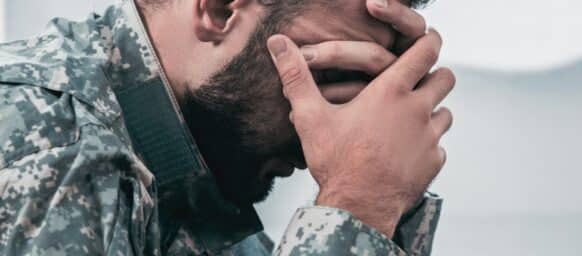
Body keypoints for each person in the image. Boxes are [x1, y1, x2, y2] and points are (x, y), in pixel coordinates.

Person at [0, 0, 455, 255]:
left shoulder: (197, 195)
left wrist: (387, 206)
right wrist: (358, 203)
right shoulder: (46, 132)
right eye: (329, 74)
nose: (330, 130)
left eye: (365, 89)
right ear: (219, 10)